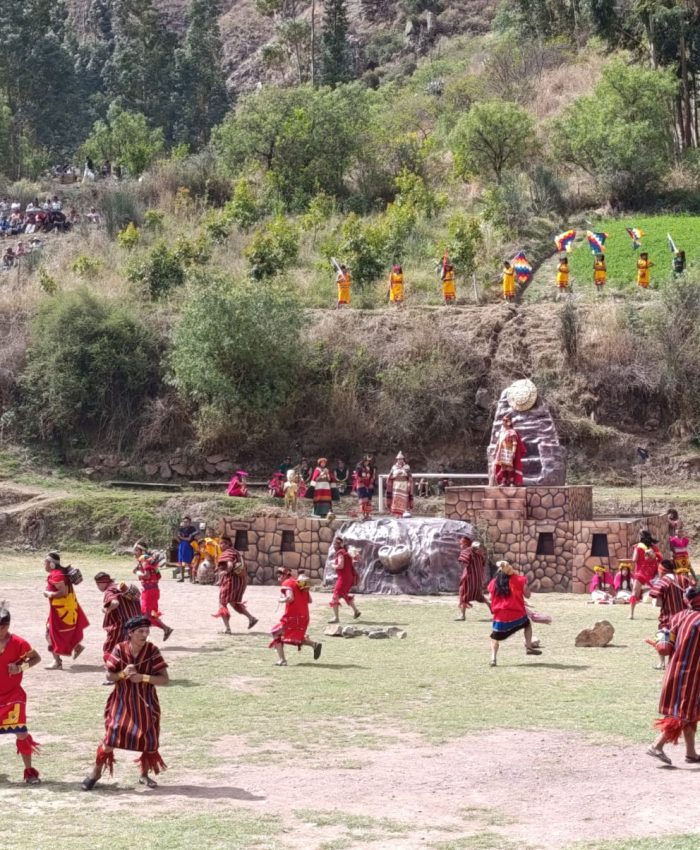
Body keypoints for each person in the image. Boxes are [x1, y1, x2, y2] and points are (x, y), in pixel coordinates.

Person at [82, 615, 169, 790]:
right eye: (140, 631)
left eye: (147, 631)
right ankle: (95, 772)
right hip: (122, 702)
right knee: (110, 738)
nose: (144, 635)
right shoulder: (120, 649)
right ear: (130, 633)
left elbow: (164, 679)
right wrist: (122, 674)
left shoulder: (152, 651)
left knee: (149, 740)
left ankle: (144, 774)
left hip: (146, 703)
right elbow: (109, 675)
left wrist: (143, 677)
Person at [647, 587, 700, 766]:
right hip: (691, 674)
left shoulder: (679, 616)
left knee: (690, 711)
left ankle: (691, 753)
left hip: (674, 671)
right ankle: (656, 745)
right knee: (683, 712)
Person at [0, 601, 42, 784]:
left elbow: (36, 658)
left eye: (2, 627)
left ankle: (29, 772)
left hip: (13, 695)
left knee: (21, 733)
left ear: (7, 625)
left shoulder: (19, 643)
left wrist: (20, 668)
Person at [487, 561, 542, 666]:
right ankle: (529, 647)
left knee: (495, 638)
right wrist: (524, 585)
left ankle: (493, 659)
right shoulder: (520, 579)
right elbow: (528, 595)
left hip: (500, 617)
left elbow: (490, 597)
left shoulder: (494, 582)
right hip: (517, 615)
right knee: (527, 625)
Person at [43, 552, 89, 670]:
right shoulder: (59, 573)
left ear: (52, 564)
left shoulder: (56, 575)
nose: (44, 564)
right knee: (58, 632)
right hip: (64, 609)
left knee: (50, 634)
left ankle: (57, 661)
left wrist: (49, 594)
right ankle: (77, 647)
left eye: (45, 562)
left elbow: (62, 592)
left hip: (62, 612)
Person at [648, 559, 695, 669]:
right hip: (685, 616)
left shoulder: (663, 582)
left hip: (668, 617)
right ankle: (677, 662)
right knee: (681, 638)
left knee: (663, 638)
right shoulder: (683, 578)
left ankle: (662, 663)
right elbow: (693, 589)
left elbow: (658, 603)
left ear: (662, 570)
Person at [269, 571, 322, 666]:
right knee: (295, 636)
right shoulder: (301, 583)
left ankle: (282, 660)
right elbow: (309, 600)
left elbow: (290, 598)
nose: (278, 579)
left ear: (285, 575)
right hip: (304, 616)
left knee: (275, 633)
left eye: (279, 576)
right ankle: (314, 644)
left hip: (293, 617)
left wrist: (281, 600)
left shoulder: (287, 583)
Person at [94, 572, 141, 664]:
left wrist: (107, 610)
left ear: (103, 583)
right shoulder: (122, 588)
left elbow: (115, 603)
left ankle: (114, 667)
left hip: (121, 625)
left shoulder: (109, 591)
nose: (98, 587)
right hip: (136, 623)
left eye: (98, 584)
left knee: (109, 649)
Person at [212, 537, 258, 633]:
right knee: (234, 602)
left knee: (222, 603)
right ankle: (251, 618)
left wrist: (225, 572)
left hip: (230, 582)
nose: (221, 545)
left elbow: (229, 564)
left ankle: (227, 629)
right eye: (220, 543)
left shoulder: (227, 553)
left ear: (228, 544)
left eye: (223, 543)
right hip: (240, 582)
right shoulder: (236, 552)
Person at [132, 542, 174, 641]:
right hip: (154, 590)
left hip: (148, 592)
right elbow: (158, 576)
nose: (134, 552)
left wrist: (138, 573)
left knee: (146, 614)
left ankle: (147, 637)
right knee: (151, 613)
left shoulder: (145, 561)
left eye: (137, 550)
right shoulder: (149, 561)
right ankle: (164, 629)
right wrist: (137, 568)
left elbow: (146, 576)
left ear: (142, 551)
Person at [629, 529, 663, 619]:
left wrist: (635, 550)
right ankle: (664, 613)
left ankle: (631, 614)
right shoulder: (654, 548)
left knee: (634, 593)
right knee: (660, 593)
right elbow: (660, 558)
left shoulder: (638, 547)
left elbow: (634, 559)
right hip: (652, 573)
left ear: (641, 537)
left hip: (640, 573)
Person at [328, 537, 361, 623]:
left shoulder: (340, 553)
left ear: (337, 545)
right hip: (348, 578)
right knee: (343, 594)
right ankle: (356, 611)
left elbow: (340, 565)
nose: (334, 546)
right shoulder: (347, 552)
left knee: (335, 596)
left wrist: (333, 566)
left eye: (335, 544)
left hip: (343, 578)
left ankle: (336, 618)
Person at [456, 536, 489, 620]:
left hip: (469, 578)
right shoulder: (479, 555)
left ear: (465, 544)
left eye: (462, 544)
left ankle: (462, 616)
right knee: (478, 595)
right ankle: (491, 607)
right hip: (477, 580)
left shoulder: (466, 551)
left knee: (463, 594)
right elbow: (483, 564)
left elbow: (463, 561)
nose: (461, 545)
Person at [492, 414, 526, 487]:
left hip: (509, 451)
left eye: (504, 421)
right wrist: (495, 451)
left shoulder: (512, 432)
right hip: (502, 452)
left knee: (509, 467)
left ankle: (511, 481)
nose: (503, 422)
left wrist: (513, 452)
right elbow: (498, 443)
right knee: (503, 467)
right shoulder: (502, 432)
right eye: (503, 420)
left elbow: (514, 443)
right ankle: (504, 481)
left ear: (509, 422)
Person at [386, 452, 414, 517]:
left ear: (403, 459)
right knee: (396, 498)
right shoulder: (394, 467)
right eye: (399, 459)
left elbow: (410, 477)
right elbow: (390, 476)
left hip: (404, 484)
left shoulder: (407, 467)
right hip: (396, 484)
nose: (400, 460)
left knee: (404, 497)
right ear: (397, 460)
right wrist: (395, 475)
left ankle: (405, 511)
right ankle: (396, 513)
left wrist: (409, 483)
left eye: (401, 459)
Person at [176, 515, 198, 582]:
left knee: (189, 562)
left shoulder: (192, 529)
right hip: (181, 546)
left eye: (187, 522)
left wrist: (181, 537)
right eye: (184, 522)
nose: (185, 523)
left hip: (188, 546)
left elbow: (189, 539)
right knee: (181, 561)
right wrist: (178, 538)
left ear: (190, 522)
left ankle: (191, 578)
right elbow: (178, 538)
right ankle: (182, 577)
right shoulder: (181, 529)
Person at [354, 456, 375, 520]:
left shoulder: (370, 468)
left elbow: (372, 476)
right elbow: (357, 476)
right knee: (363, 500)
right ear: (363, 461)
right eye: (366, 461)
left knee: (369, 500)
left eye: (368, 461)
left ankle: (368, 515)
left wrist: (371, 480)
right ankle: (362, 514)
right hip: (361, 485)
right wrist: (363, 480)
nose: (367, 462)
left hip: (369, 485)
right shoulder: (359, 467)